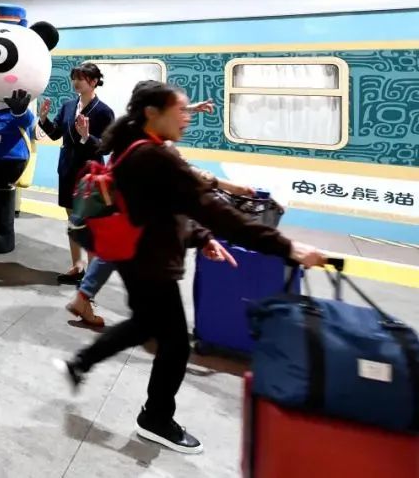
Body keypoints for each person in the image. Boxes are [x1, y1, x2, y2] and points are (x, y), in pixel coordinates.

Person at [57, 81, 328, 455]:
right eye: (180, 110)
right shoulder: (155, 156)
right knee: (175, 346)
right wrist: (287, 247)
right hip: (151, 264)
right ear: (153, 113)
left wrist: (201, 238)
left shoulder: (138, 147)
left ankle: (81, 364)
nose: (187, 117)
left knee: (145, 326)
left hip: (139, 259)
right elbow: (212, 210)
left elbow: (166, 209)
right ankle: (154, 419)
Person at [65, 97, 220, 328]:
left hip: (123, 211)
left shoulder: (132, 131)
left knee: (114, 251)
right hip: (134, 212)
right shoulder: (149, 144)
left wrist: (191, 108)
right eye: (178, 112)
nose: (183, 119)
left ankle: (85, 298)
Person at [39, 62, 115, 286]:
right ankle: (77, 266)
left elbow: (106, 148)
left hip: (89, 173)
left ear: (94, 81)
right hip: (67, 169)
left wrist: (86, 137)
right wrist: (43, 120)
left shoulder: (104, 111)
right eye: (74, 78)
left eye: (81, 78)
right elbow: (56, 134)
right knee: (73, 220)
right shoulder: (68, 106)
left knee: (90, 223)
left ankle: (92, 274)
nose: (75, 82)